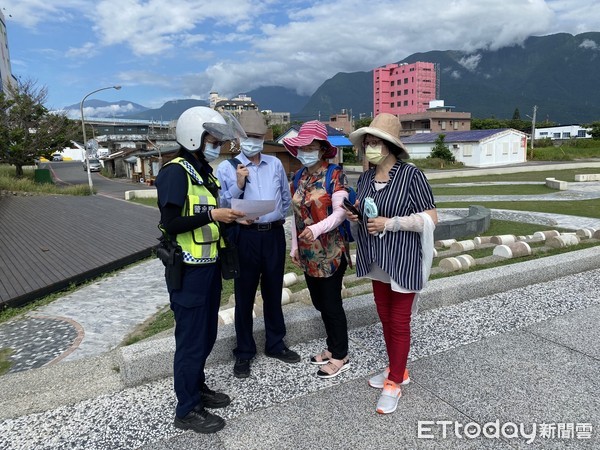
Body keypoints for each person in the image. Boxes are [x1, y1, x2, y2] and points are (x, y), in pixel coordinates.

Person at [154, 106, 246, 434]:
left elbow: (210, 216)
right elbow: (171, 223)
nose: (218, 145)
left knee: (205, 335)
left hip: (208, 269)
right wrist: (213, 217)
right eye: (213, 138)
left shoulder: (204, 172)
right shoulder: (175, 172)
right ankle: (186, 409)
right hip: (188, 272)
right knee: (190, 340)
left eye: (219, 140)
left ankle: (197, 388)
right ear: (194, 136)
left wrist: (232, 217)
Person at [347, 113, 437, 414]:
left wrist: (392, 223)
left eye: (375, 142)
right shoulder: (365, 179)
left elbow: (431, 217)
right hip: (376, 260)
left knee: (399, 321)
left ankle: (395, 381)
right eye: (367, 143)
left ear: (389, 145)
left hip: (403, 259)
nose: (370, 148)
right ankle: (397, 368)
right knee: (385, 318)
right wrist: (356, 216)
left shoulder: (411, 175)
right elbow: (369, 213)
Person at [216, 109, 299, 379]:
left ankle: (276, 343)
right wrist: (239, 185)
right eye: (249, 136)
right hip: (246, 237)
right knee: (244, 295)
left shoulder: (274, 163)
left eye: (259, 137)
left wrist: (276, 218)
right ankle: (244, 352)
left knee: (273, 291)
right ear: (239, 138)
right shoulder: (227, 168)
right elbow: (222, 206)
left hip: (273, 233)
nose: (254, 141)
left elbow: (285, 198)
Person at [283, 120, 351, 379]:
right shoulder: (299, 177)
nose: (305, 151)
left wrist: (317, 229)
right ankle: (332, 346)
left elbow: (340, 213)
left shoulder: (335, 175)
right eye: (302, 147)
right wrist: (295, 245)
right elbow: (296, 215)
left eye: (311, 147)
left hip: (331, 252)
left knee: (332, 305)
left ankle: (340, 355)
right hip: (309, 254)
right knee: (320, 303)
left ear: (323, 149)